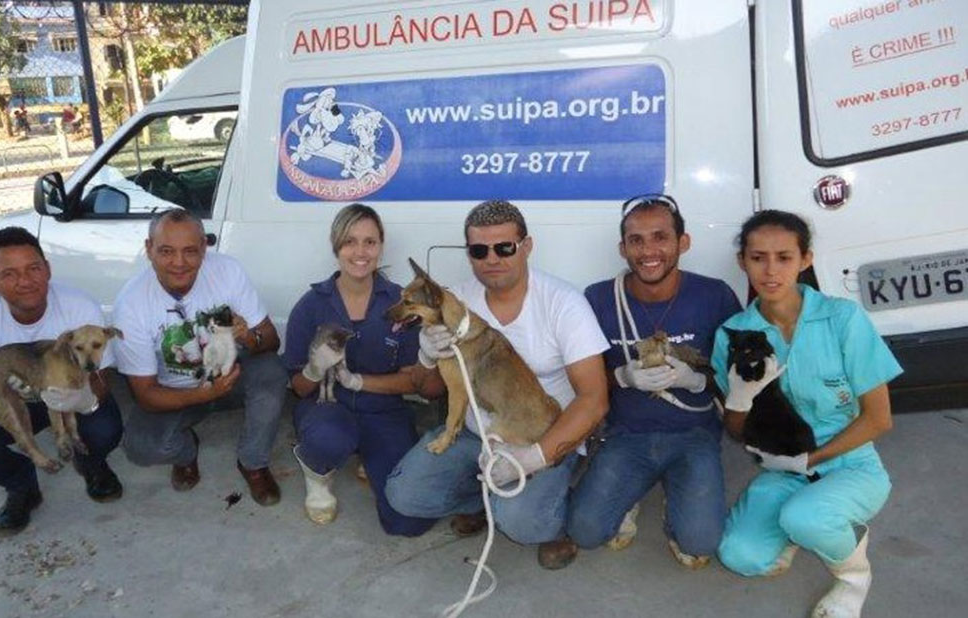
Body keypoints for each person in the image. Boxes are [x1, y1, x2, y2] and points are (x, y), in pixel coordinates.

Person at [385, 199, 609, 569]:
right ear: (469, 254)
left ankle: (556, 502)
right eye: (479, 250)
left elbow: (595, 400)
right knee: (403, 495)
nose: (492, 258)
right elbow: (427, 390)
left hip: (539, 434)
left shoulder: (563, 303)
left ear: (526, 246)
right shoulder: (453, 302)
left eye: (505, 247)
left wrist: (536, 456)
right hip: (477, 432)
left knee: (523, 523)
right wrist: (426, 356)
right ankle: (487, 497)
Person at [712, 210, 901, 618]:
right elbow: (734, 429)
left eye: (784, 257)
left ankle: (853, 575)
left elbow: (879, 420)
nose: (770, 270)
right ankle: (807, 521)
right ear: (742, 262)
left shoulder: (842, 318)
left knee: (806, 517)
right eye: (758, 257)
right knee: (740, 555)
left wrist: (811, 460)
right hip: (781, 467)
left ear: (806, 259)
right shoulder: (734, 332)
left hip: (851, 463)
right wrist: (741, 399)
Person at [567, 194, 742, 568]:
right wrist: (621, 376)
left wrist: (697, 380)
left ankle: (674, 499)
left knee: (700, 542)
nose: (649, 250)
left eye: (661, 237)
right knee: (585, 531)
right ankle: (630, 491)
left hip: (693, 434)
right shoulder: (598, 299)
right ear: (622, 248)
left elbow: (737, 376)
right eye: (636, 240)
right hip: (625, 434)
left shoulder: (715, 295)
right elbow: (584, 381)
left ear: (683, 242)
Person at [0, 227, 124, 536]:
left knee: (104, 425)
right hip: (14, 398)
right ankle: (22, 485)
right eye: (10, 274)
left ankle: (91, 464)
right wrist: (14, 404)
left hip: (68, 392)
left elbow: (101, 378)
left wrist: (85, 399)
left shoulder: (78, 306)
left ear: (48, 269)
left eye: (34, 268)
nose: (26, 281)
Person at [282, 203, 440, 536]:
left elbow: (414, 381)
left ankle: (370, 457)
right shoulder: (311, 306)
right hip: (327, 408)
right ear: (336, 245)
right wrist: (313, 370)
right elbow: (298, 388)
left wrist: (356, 381)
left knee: (408, 522)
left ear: (381, 246)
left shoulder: (401, 302)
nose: (360, 252)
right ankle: (317, 474)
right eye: (350, 241)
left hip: (383, 411)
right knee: (328, 438)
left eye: (369, 242)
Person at [113, 209, 288, 505]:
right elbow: (145, 395)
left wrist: (247, 336)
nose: (179, 263)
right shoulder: (131, 304)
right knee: (140, 448)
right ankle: (185, 451)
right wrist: (205, 393)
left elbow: (271, 340)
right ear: (148, 250)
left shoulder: (228, 271)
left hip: (231, 378)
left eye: (190, 251)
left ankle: (252, 462)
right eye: (166, 251)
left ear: (204, 249)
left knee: (272, 372)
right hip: (178, 392)